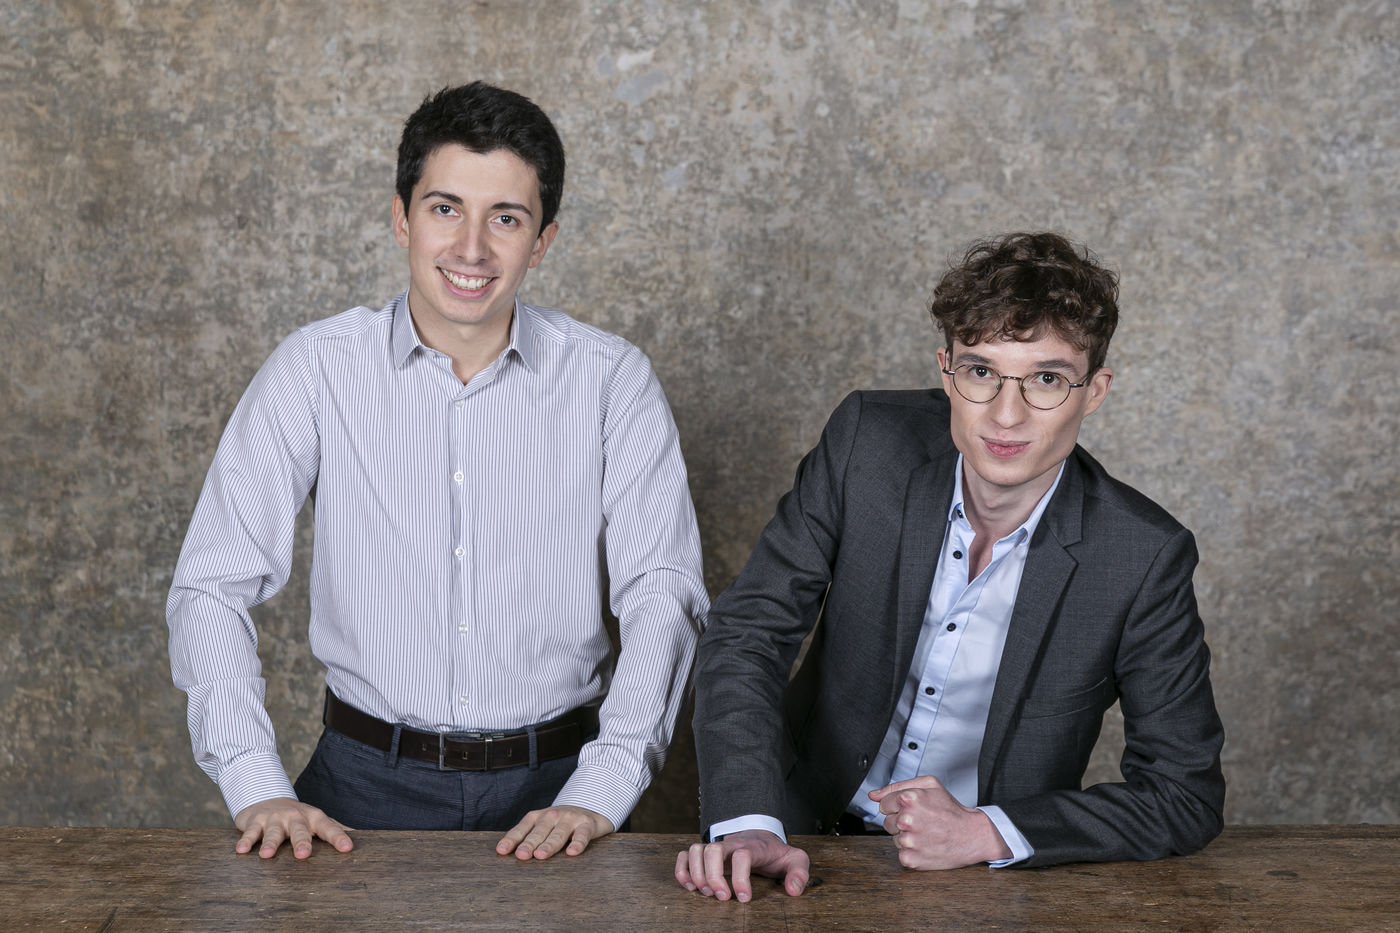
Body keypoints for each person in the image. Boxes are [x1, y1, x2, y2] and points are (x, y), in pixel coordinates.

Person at [168, 82, 707, 862]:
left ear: (543, 241)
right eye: (446, 208)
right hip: (357, 789)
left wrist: (605, 785)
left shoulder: (611, 380)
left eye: (507, 218)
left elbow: (664, 591)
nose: (471, 249)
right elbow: (212, 582)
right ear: (402, 218)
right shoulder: (316, 368)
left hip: (560, 794)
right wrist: (254, 781)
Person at [676, 232, 1225, 900]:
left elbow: (1182, 792)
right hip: (791, 833)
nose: (1006, 414)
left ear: (1094, 391)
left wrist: (987, 833)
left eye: (1047, 379)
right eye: (982, 371)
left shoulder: (1140, 556)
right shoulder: (866, 444)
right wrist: (749, 820)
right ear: (947, 371)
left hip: (981, 883)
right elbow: (748, 633)